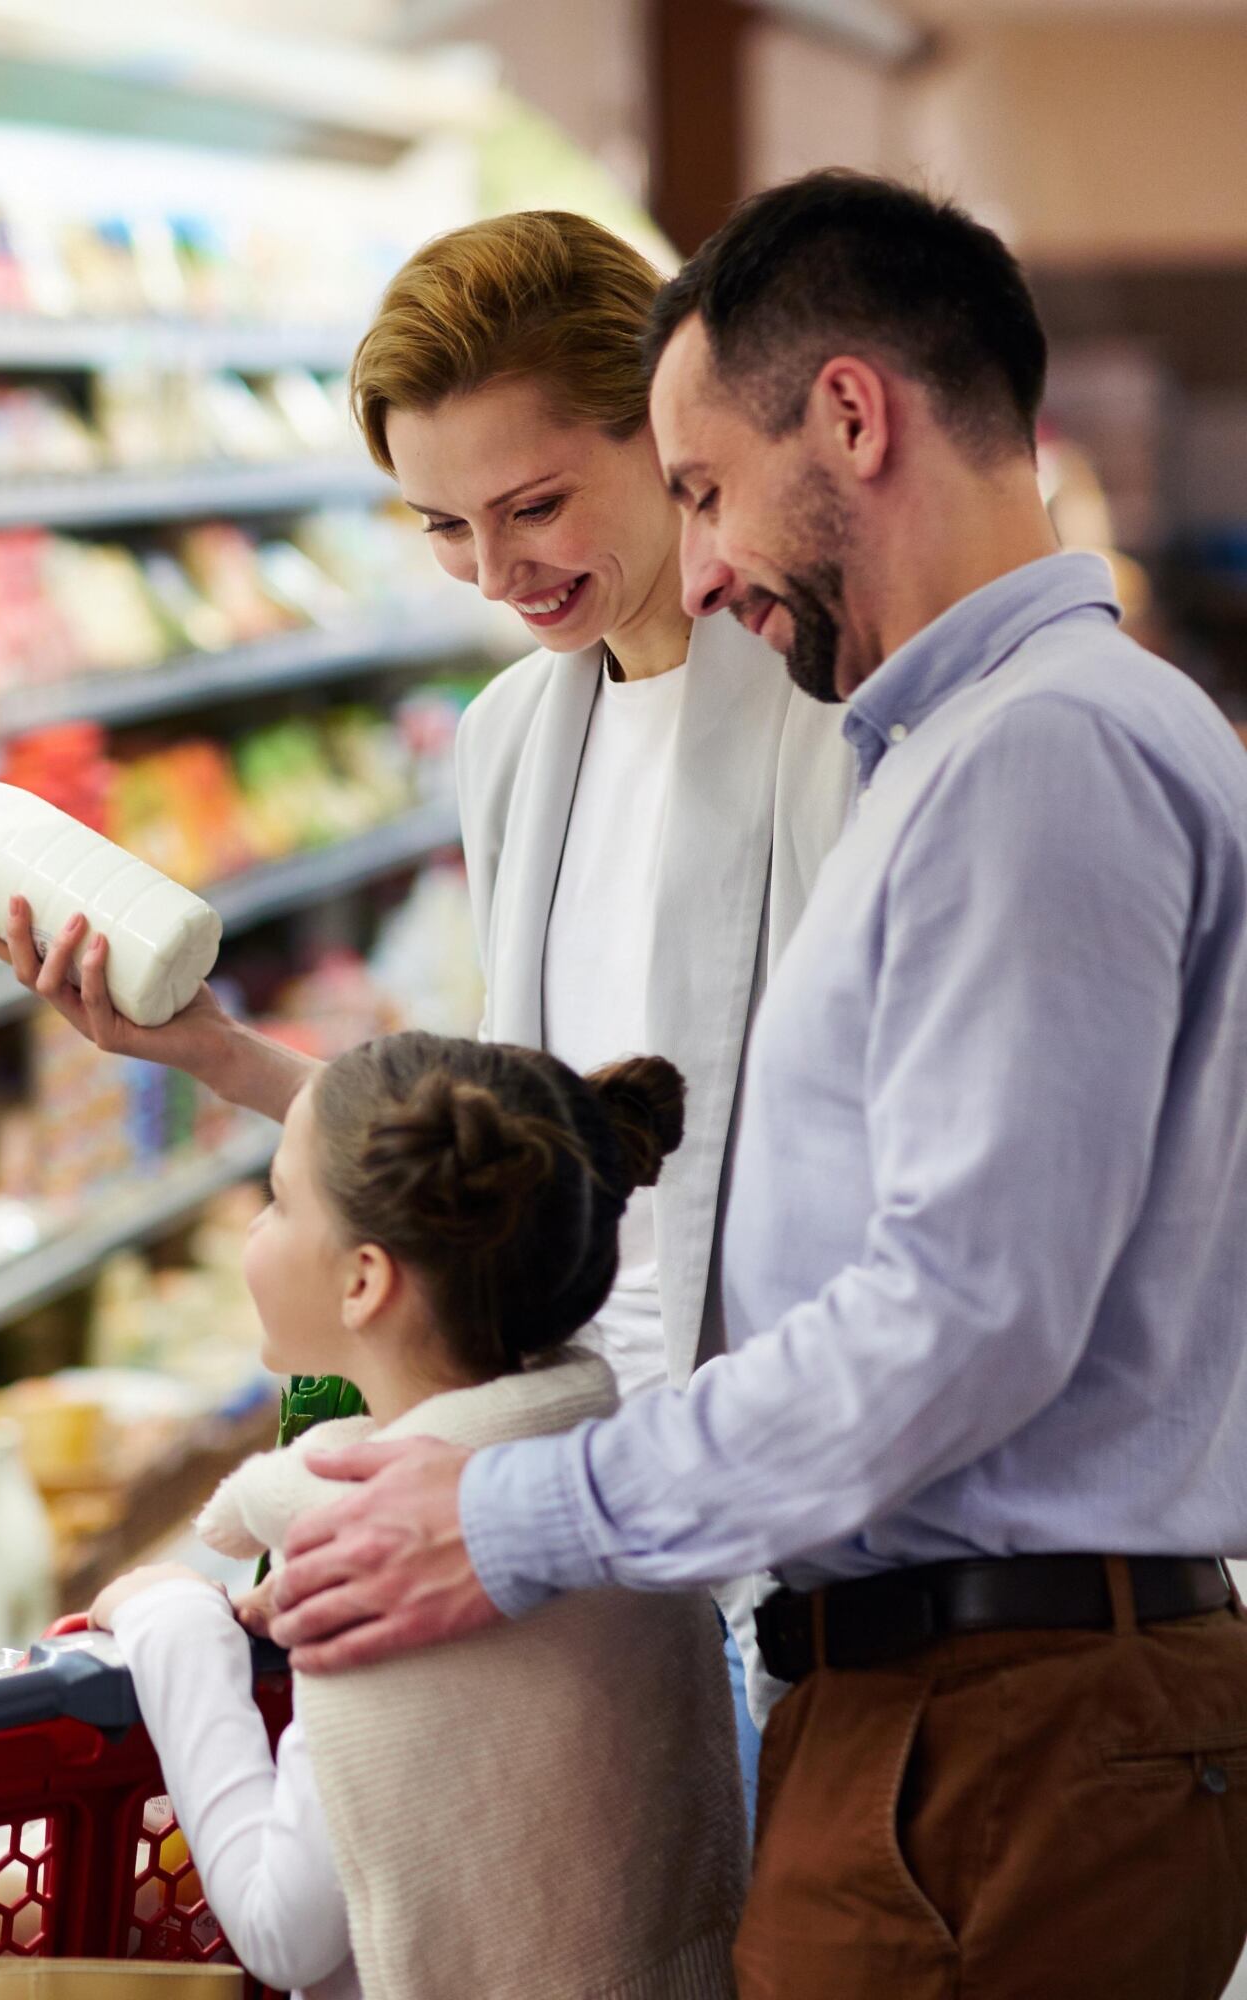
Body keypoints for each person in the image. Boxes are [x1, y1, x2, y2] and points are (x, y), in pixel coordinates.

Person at [263, 169, 1247, 2000]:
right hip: (906, 1684)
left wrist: (521, 1519)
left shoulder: (1022, 759)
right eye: (439, 528)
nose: (704, 566)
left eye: (695, 485)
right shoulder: (975, 742)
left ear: (854, 418)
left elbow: (963, 1311)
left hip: (997, 1710)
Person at [0, 207, 851, 1802]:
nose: (499, 571)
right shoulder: (515, 733)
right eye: (442, 523)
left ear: (661, 431)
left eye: (534, 503)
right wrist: (215, 1054)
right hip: (547, 1493)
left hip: (775, 1517)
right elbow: (512, 1151)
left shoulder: (819, 714)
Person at [90, 1032, 741, 2000]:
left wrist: (174, 1627)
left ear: (363, 1280)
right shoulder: (613, 1498)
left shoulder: (382, 1560)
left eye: (276, 1198)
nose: (254, 1230)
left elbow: (281, 1929)